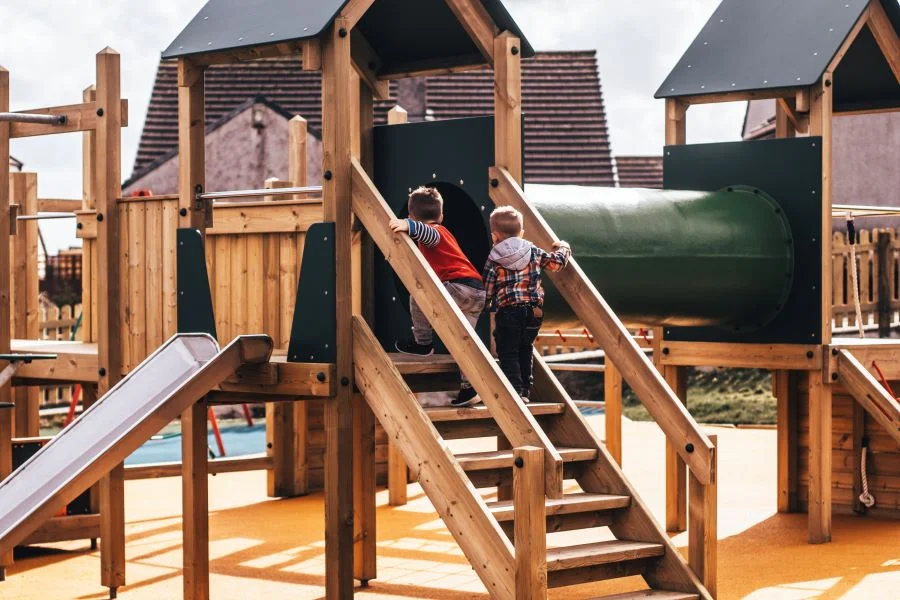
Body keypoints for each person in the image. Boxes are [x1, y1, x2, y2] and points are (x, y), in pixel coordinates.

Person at [390, 186, 486, 407]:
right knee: (461, 340)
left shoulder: (437, 233)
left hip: (459, 287)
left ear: (412, 216)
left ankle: (423, 343)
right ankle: (469, 387)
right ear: (441, 215)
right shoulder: (445, 232)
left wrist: (408, 225)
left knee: (419, 294)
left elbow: (429, 233)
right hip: (475, 292)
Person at [483, 206, 571, 403]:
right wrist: (564, 246)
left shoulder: (493, 258)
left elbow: (487, 291)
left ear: (494, 236)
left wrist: (482, 306)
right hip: (534, 312)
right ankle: (525, 390)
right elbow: (557, 263)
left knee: (507, 350)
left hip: (508, 312)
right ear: (521, 233)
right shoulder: (533, 251)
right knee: (525, 347)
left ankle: (514, 390)